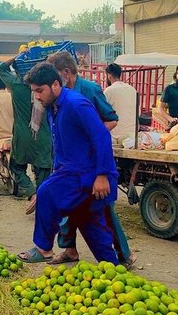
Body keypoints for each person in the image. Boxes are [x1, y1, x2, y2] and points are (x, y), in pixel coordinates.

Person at [17, 63, 117, 264]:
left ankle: (44, 248)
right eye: (34, 91)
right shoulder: (52, 107)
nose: (36, 96)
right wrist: (56, 170)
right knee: (90, 222)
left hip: (87, 173)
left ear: (55, 84)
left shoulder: (76, 104)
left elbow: (101, 137)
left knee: (46, 192)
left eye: (39, 90)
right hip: (72, 171)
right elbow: (59, 143)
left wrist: (102, 175)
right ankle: (111, 268)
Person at [47, 56, 133, 266]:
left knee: (103, 210)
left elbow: (111, 119)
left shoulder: (89, 90)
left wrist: (89, 139)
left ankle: (123, 254)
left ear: (66, 73)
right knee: (66, 207)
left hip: (92, 163)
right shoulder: (56, 97)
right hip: (67, 164)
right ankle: (70, 250)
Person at [0, 56, 52, 209]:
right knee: (43, 172)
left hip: (22, 137)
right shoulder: (46, 87)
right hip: (43, 137)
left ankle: (32, 193)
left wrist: (18, 56)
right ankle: (41, 199)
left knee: (16, 167)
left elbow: (1, 68)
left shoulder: (16, 84)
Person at [47, 52, 118, 128]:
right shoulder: (57, 93)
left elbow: (112, 120)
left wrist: (94, 133)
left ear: (66, 72)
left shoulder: (91, 90)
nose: (53, 80)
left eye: (55, 75)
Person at [103, 63, 139, 144]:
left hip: (115, 136)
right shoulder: (132, 89)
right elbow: (138, 113)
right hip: (133, 133)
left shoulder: (109, 90)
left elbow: (102, 112)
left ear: (109, 76)